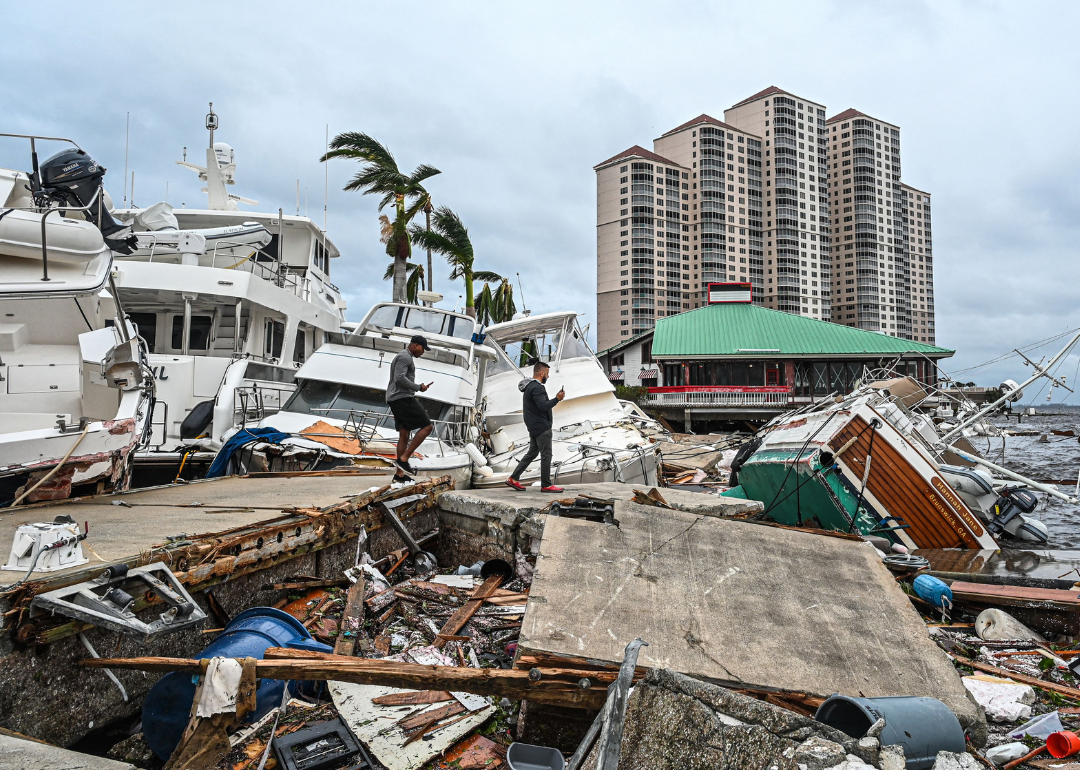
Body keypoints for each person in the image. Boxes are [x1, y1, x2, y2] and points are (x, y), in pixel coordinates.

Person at [506, 359, 566, 492]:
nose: (548, 376)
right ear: (542, 373)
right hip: (541, 427)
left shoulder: (529, 387)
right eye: (547, 373)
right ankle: (546, 485)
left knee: (532, 453)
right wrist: (557, 399)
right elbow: (543, 406)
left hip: (533, 426)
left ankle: (514, 478)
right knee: (546, 455)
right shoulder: (537, 387)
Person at [386, 335, 434, 481]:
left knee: (404, 434)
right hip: (402, 398)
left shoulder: (403, 356)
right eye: (423, 349)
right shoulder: (405, 357)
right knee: (427, 427)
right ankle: (404, 459)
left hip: (395, 398)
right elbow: (399, 378)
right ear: (415, 345)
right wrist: (419, 387)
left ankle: (399, 475)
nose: (423, 352)